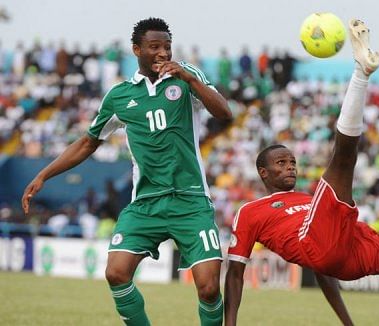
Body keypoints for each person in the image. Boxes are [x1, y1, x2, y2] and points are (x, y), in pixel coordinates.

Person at [224, 19, 379, 326]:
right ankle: (361, 72)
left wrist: (347, 321)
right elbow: (235, 272)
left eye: (292, 161)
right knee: (343, 159)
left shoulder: (306, 199)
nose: (290, 166)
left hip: (352, 245)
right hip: (318, 245)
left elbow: (324, 273)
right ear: (263, 172)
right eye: (281, 163)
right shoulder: (250, 212)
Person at [22, 17, 233, 326]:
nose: (163, 53)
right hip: (146, 203)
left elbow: (225, 113)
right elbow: (87, 143)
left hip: (190, 200)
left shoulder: (186, 77)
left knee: (209, 287)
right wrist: (43, 175)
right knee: (115, 272)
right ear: (137, 50)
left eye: (167, 46)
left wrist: (191, 80)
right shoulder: (119, 96)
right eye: (154, 46)